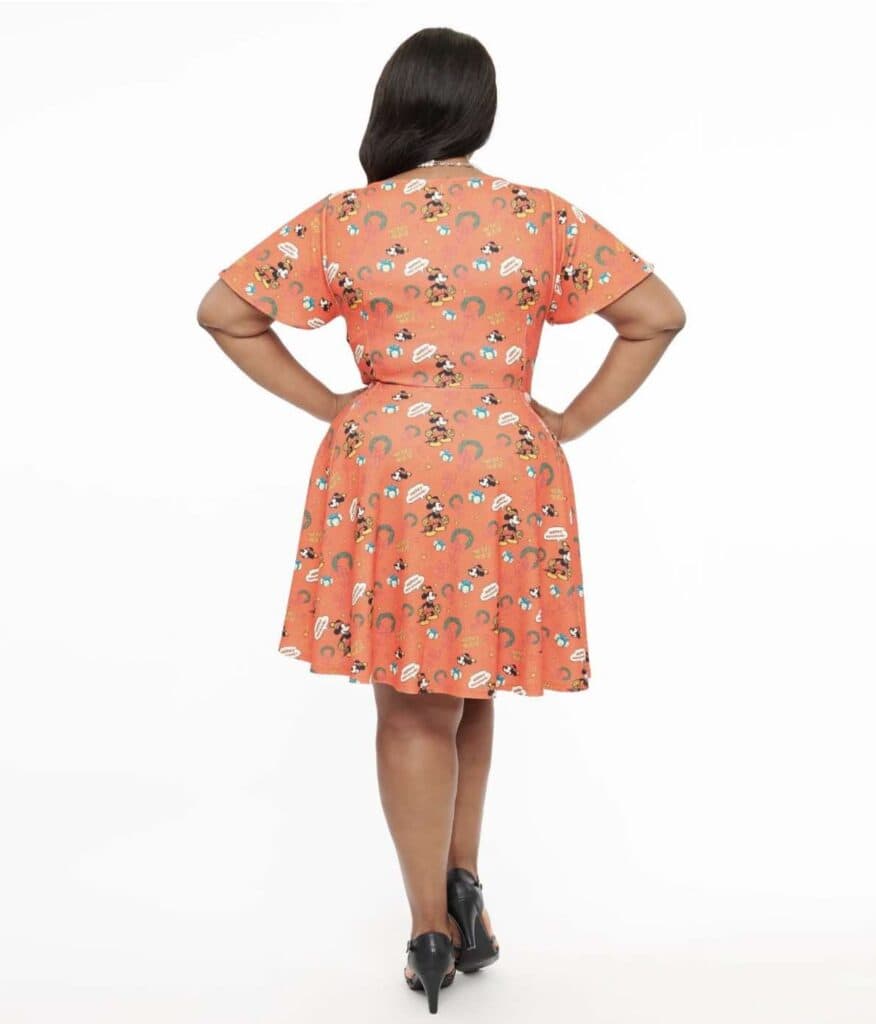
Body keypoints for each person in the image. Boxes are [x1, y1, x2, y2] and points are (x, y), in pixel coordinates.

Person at [197, 25, 685, 1014]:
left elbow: (224, 310)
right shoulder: (538, 214)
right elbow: (657, 314)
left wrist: (336, 405)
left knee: (413, 697)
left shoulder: (345, 220)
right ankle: (464, 893)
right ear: (479, 110)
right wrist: (567, 420)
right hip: (508, 461)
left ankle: (430, 928)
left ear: (394, 105)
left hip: (386, 463)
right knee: (470, 673)